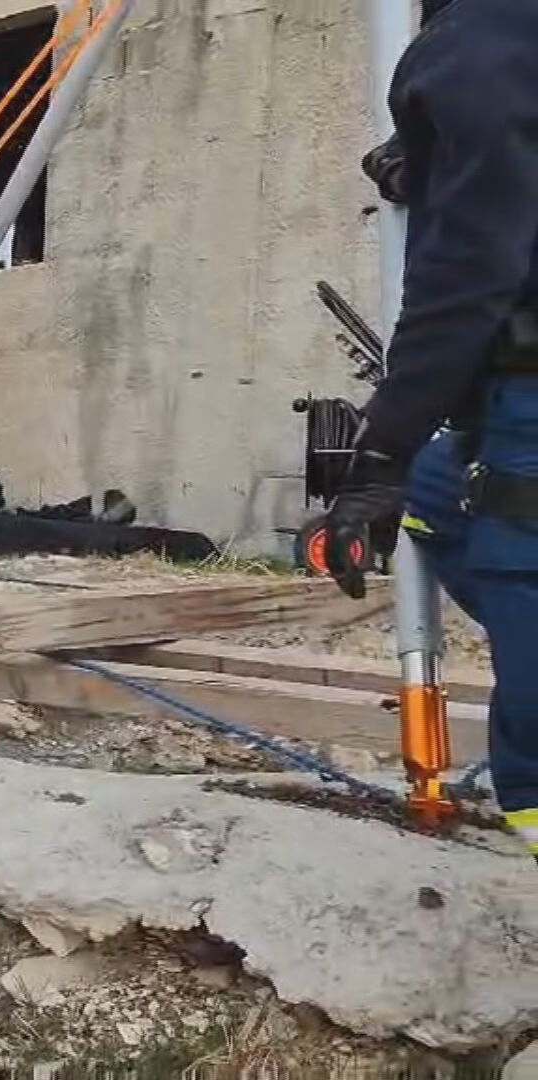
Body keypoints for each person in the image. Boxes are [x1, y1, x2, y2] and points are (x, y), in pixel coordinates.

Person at [320, 0, 538, 863]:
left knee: (514, 557)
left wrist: (382, 447)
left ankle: (527, 794)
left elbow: (469, 268)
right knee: (440, 498)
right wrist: (444, 166)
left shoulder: (476, 38)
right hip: (498, 409)